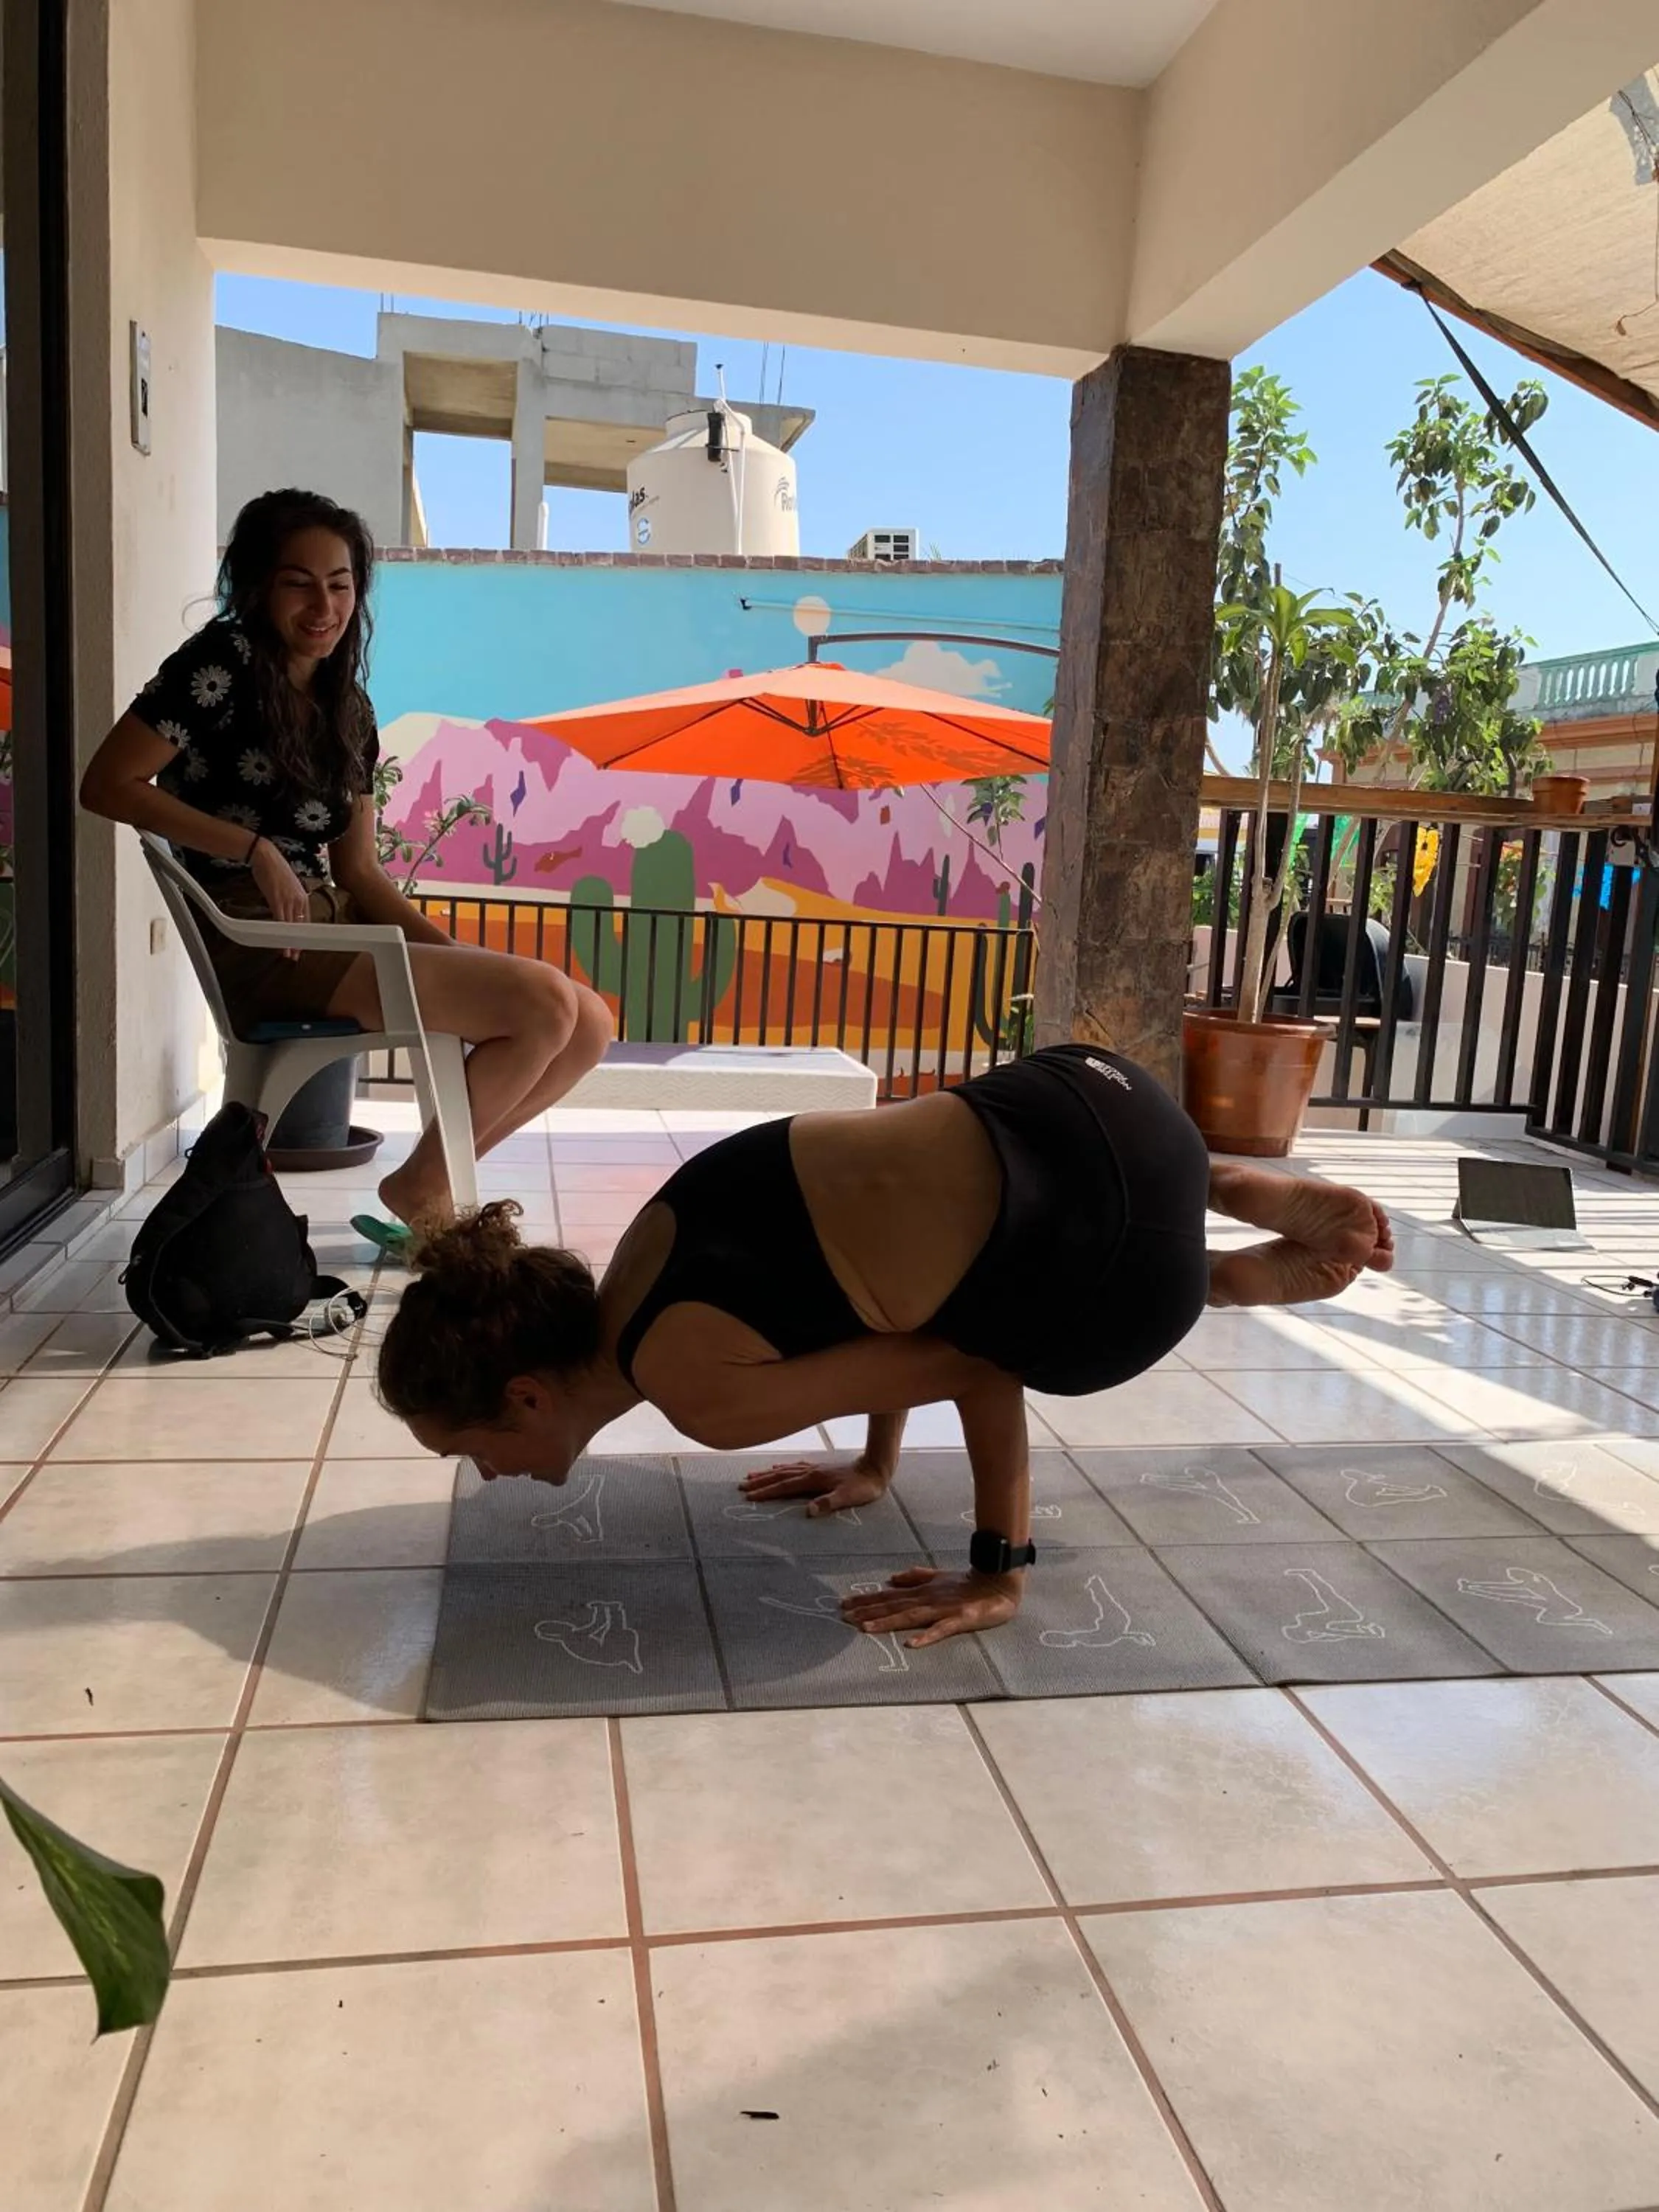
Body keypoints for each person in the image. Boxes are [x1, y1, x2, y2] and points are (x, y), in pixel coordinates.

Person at [375, 1043, 1394, 1648]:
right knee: (1017, 1254)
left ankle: (1216, 1273)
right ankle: (1218, 1189)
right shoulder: (640, 1258)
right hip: (1096, 1097)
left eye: (466, 1452)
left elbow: (974, 1362)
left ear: (523, 1397)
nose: (487, 1475)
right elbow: (872, 1284)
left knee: (1065, 1327)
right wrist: (874, 1459)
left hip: (1106, 1232)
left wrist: (996, 1569)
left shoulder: (698, 1395)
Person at [79, 489, 612, 1236]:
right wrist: (254, 848)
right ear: (259, 584)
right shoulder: (221, 662)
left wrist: (451, 956)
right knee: (548, 1006)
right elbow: (106, 784)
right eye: (299, 582)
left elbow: (358, 871)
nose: (323, 604)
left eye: (340, 583)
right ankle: (429, 1194)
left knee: (588, 1021)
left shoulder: (346, 705)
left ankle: (424, 1181)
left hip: (335, 926)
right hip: (262, 939)